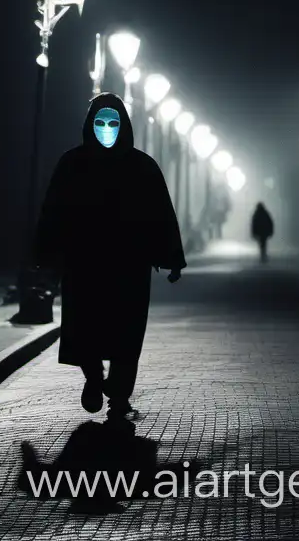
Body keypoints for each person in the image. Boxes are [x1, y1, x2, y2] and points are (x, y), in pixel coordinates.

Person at [33, 92, 186, 422]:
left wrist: (172, 256)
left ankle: (116, 390)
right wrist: (45, 255)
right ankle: (97, 379)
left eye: (113, 122)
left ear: (124, 125)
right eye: (100, 122)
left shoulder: (134, 167)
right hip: (90, 265)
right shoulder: (77, 164)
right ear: (90, 124)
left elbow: (160, 214)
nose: (106, 128)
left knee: (124, 331)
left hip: (122, 266)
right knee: (90, 325)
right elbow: (53, 213)